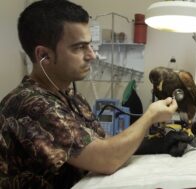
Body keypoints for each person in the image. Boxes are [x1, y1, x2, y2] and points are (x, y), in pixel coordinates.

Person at [0, 0, 183, 188]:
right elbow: (106, 159)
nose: (91, 55)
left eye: (89, 45)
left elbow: (105, 145)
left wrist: (157, 144)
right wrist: (150, 116)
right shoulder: (30, 105)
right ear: (43, 55)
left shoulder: (72, 98)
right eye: (79, 47)